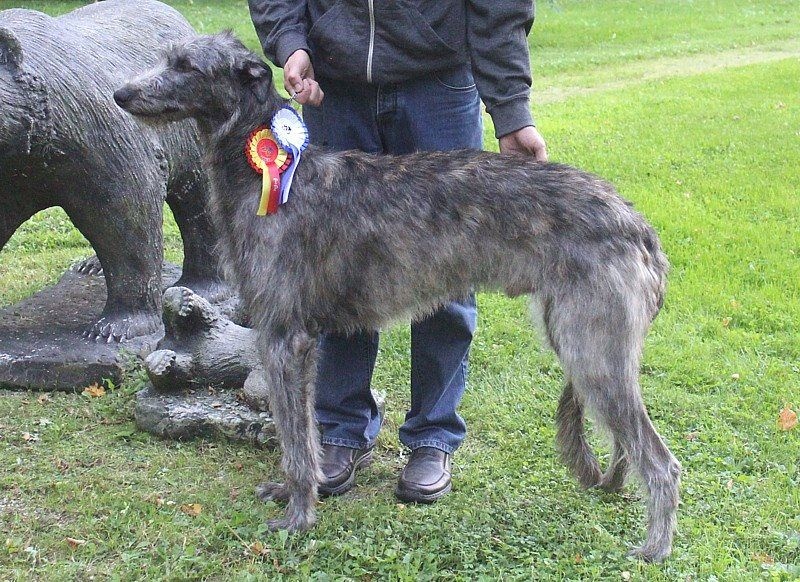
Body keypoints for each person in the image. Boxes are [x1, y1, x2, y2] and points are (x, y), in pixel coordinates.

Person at [249, 0, 547, 503]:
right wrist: (291, 42)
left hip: (437, 83)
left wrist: (511, 108)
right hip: (334, 87)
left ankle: (433, 435)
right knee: (329, 271)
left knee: (447, 270)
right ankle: (340, 428)